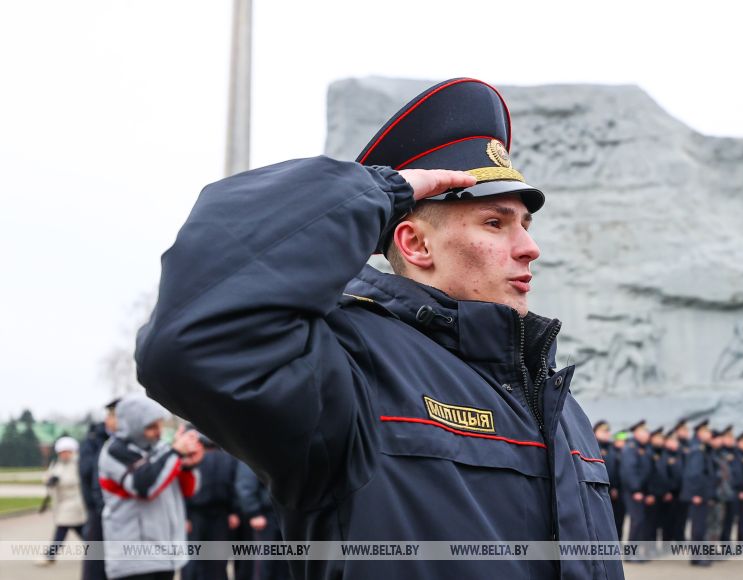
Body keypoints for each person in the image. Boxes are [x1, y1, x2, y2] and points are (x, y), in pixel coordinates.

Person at [135, 77, 624, 579]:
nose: (529, 248)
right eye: (495, 224)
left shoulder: (559, 404)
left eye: (526, 225)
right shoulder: (351, 369)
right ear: (415, 245)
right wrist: (386, 190)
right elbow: (192, 340)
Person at [98, 393, 203, 580]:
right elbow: (144, 487)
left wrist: (188, 465)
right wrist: (176, 453)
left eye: (159, 424)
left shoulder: (161, 448)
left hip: (165, 555)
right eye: (151, 427)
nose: (158, 431)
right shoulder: (114, 451)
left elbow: (188, 490)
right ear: (133, 425)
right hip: (134, 559)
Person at [182, 430, 240, 580]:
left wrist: (234, 512)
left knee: (212, 559)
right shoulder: (193, 458)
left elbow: (234, 486)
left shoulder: (227, 459)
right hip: (200, 515)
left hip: (216, 515)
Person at [79, 397, 120, 580]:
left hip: (121, 515)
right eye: (112, 415)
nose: (111, 420)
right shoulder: (95, 440)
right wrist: (96, 507)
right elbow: (86, 475)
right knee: (95, 567)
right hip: (98, 511)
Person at [36, 437, 87, 567]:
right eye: (62, 452)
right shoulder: (57, 464)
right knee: (82, 532)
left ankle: (50, 556)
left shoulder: (78, 464)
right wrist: (49, 480)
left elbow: (74, 480)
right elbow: (48, 476)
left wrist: (59, 480)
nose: (64, 454)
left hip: (74, 503)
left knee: (62, 529)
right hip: (62, 503)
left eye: (67, 451)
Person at [235, 462, 290, 580]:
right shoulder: (255, 449)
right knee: (265, 564)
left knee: (284, 566)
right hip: (265, 516)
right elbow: (245, 485)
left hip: (284, 515)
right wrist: (254, 512)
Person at [680, 420, 714, 567]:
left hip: (702, 494)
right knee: (698, 527)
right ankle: (696, 556)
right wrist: (696, 494)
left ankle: (698, 556)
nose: (710, 434)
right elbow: (694, 474)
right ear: (700, 433)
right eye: (707, 432)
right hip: (698, 495)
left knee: (701, 526)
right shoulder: (697, 450)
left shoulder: (701, 448)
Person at [619, 420, 653, 559]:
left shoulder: (643, 448)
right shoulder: (630, 448)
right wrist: (635, 490)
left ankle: (636, 552)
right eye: (643, 432)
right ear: (636, 433)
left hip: (641, 491)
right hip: (633, 492)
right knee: (636, 521)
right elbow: (629, 471)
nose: (646, 434)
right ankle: (630, 553)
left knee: (640, 521)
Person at [611, 431, 628, 539]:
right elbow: (612, 472)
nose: (623, 443)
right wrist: (613, 487)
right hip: (613, 490)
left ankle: (619, 541)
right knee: (612, 519)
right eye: (620, 441)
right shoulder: (612, 453)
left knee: (621, 519)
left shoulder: (625, 453)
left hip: (623, 491)